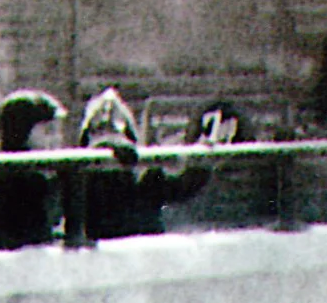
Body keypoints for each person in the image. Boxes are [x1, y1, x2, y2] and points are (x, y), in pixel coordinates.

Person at [77, 88, 241, 238]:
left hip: (145, 253)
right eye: (99, 130)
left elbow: (183, 187)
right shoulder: (81, 176)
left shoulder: (146, 177)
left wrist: (203, 160)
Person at [0, 91, 62, 248]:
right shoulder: (14, 183)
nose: (56, 139)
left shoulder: (51, 175)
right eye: (48, 132)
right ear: (21, 132)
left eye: (58, 131)